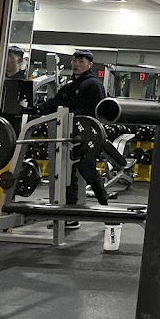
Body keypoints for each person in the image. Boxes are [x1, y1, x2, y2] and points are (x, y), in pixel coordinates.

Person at [42, 49, 110, 222]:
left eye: (81, 61)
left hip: (85, 137)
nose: (76, 64)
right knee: (67, 174)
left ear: (90, 64)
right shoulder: (69, 87)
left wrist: (73, 115)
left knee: (88, 172)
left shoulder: (93, 85)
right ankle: (70, 216)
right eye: (74, 61)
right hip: (68, 135)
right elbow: (55, 104)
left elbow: (99, 111)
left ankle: (107, 211)